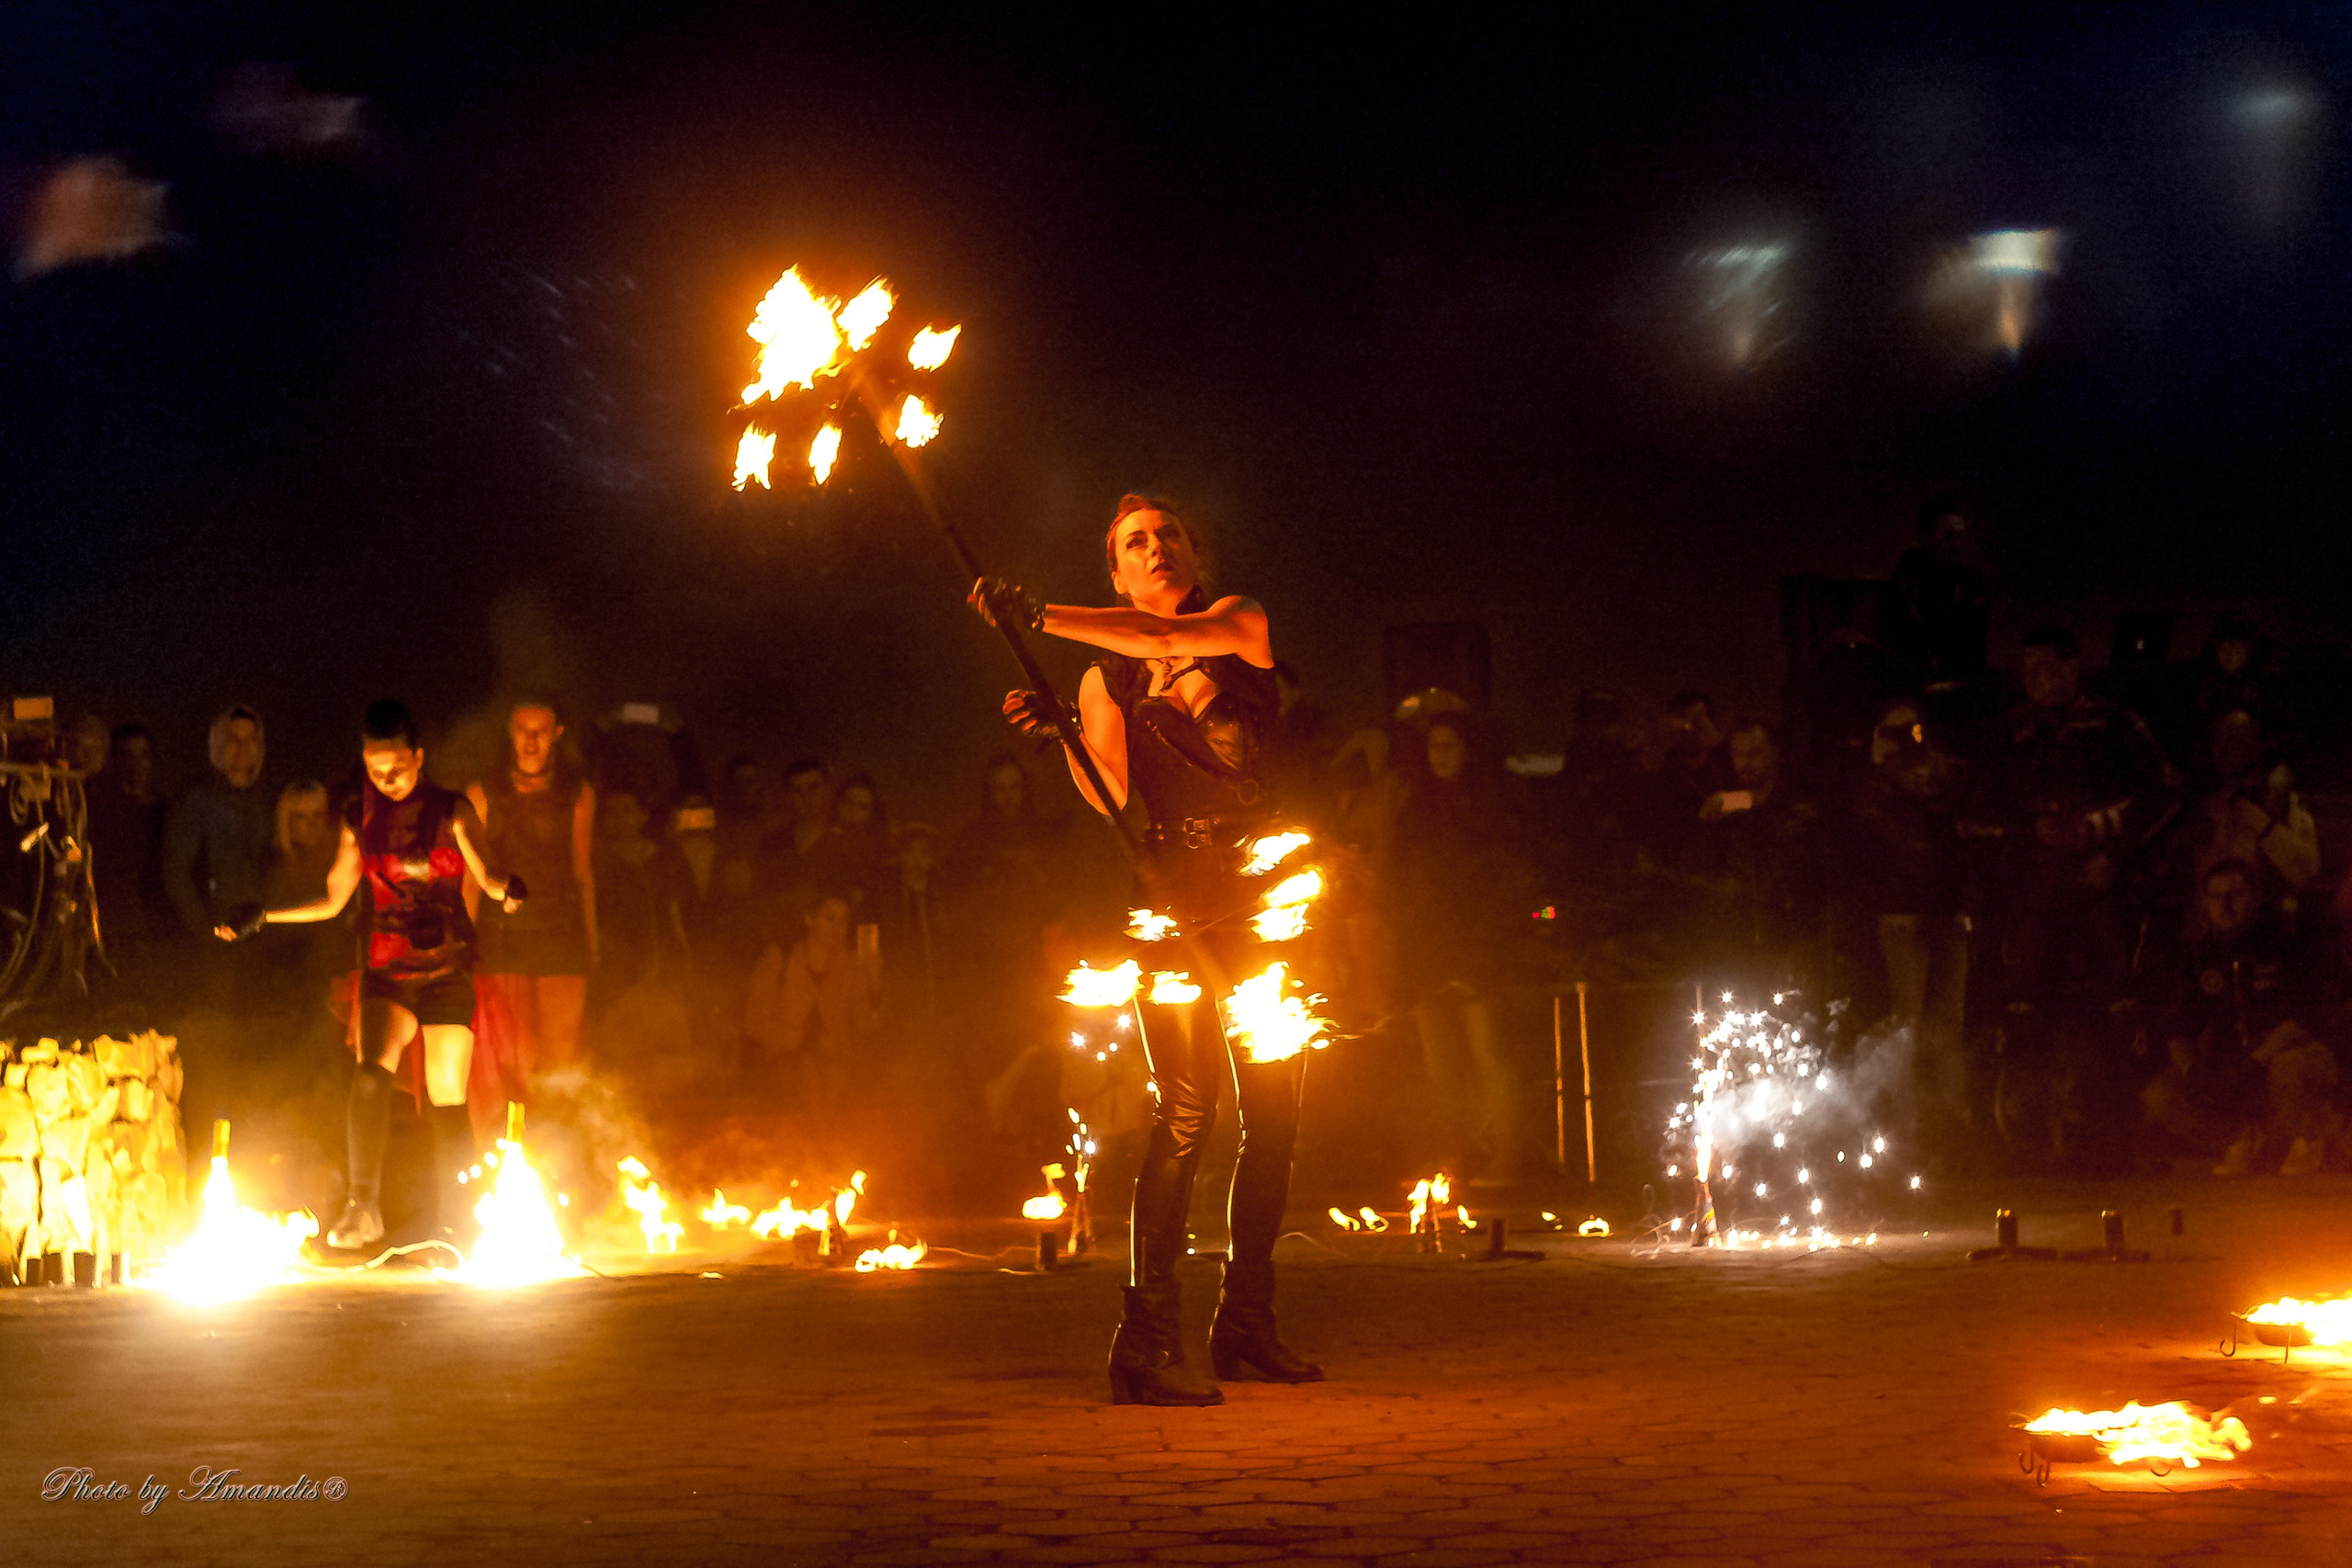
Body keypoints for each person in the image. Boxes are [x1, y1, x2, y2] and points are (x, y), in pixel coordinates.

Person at [972, 492, 1317, 1406]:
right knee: (1186, 1113)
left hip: (1258, 904)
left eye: (1167, 535)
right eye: (1134, 542)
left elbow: (1162, 643)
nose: (1154, 547)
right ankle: (1145, 1338)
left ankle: (1246, 1323)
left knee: (1275, 1117)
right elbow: (1116, 802)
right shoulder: (1102, 680)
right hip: (1170, 907)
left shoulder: (1237, 623)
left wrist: (1033, 613)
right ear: (1116, 573)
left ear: (1193, 556)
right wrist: (1068, 748)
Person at [220, 701, 523, 1252]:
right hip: (387, 964)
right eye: (375, 769)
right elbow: (336, 897)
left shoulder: (451, 810)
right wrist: (265, 915)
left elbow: (489, 870)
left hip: (447, 967)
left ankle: (460, 1220)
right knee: (368, 1075)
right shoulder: (360, 815)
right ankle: (364, 1207)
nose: (386, 780)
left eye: (398, 769)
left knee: (446, 1092)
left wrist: (507, 891)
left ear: (419, 758)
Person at [1385, 712, 1527, 1186]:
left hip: (1474, 943)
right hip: (1429, 943)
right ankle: (1452, 1160)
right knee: (1439, 1065)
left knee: (1488, 1053)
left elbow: (1503, 878)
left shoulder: (1489, 804)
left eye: (1451, 745)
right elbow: (1400, 879)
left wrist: (1494, 936)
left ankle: (1508, 1158)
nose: (1442, 756)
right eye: (1435, 747)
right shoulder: (1417, 807)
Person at [2142, 861, 2339, 1177]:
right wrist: (2194, 1070)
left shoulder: (2288, 941)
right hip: (2232, 1064)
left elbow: (2304, 1018)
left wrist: (2254, 1061)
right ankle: (2243, 1139)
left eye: (2235, 894)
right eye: (2216, 897)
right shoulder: (2201, 955)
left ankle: (2311, 1137)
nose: (2226, 905)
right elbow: (2178, 1028)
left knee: (2290, 1068)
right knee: (2162, 1095)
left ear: (2256, 896)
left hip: (2287, 1054)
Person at [467, 701, 597, 1147]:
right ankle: (506, 1160)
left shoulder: (576, 793)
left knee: (560, 1064)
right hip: (502, 940)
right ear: (510, 730)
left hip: (561, 936)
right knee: (509, 1062)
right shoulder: (483, 793)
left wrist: (592, 946)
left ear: (557, 732)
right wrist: (463, 945)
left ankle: (558, 1162)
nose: (531, 739)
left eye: (541, 730)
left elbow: (582, 872)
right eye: (523, 729)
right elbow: (471, 877)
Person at [163, 705, 272, 997]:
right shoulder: (196, 803)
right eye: (234, 739)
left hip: (260, 932)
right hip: (215, 934)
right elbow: (176, 872)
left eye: (250, 740)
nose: (242, 748)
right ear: (218, 745)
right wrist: (203, 929)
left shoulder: (266, 803)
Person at [742, 889, 880, 1111]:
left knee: (836, 1083)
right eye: (829, 918)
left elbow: (868, 1025)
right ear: (809, 919)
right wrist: (796, 1042)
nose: (837, 927)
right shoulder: (780, 959)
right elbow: (753, 1022)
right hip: (786, 1069)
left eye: (843, 920)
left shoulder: (853, 966)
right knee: (808, 1075)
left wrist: (875, 982)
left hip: (836, 1071)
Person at [87, 721, 167, 984]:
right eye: (128, 756)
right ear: (116, 760)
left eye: (143, 755)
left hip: (152, 914)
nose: (136, 764)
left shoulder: (162, 811)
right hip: (114, 913)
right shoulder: (102, 806)